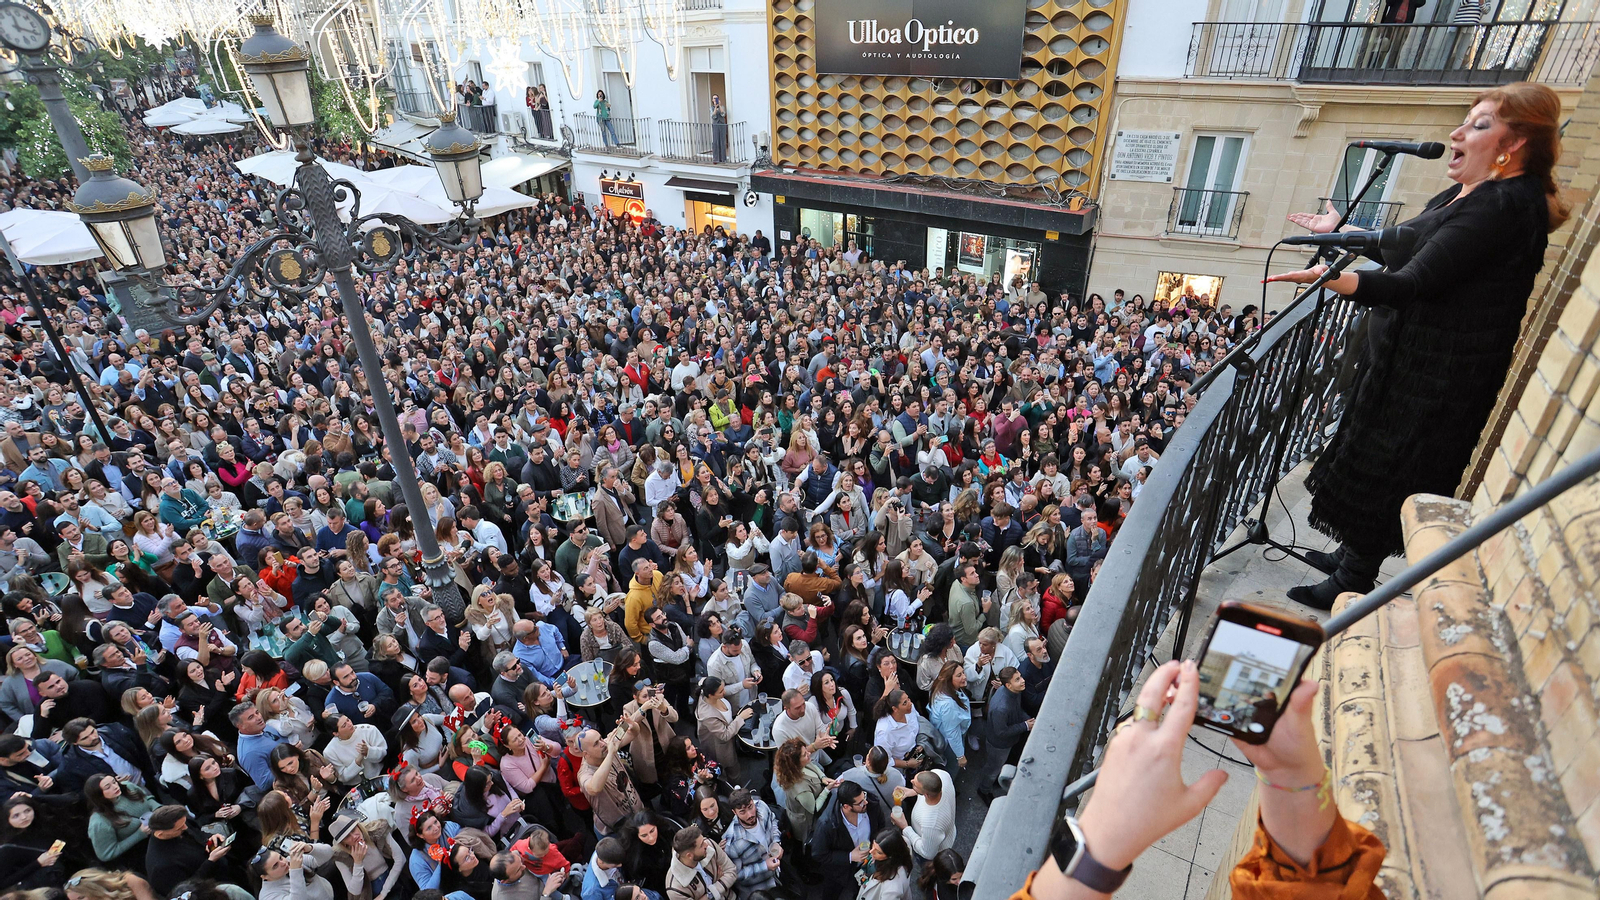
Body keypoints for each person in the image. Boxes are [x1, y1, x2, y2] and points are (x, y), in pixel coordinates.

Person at [1267, 82, 1566, 608]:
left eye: (1478, 125)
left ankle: (1353, 579)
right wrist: (1341, 229)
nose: (1457, 133)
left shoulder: (1502, 205)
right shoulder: (1473, 193)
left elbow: (1412, 281)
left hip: (1437, 375)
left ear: (1514, 142)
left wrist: (1334, 279)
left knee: (1392, 465)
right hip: (1410, 361)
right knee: (1372, 455)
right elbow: (1409, 241)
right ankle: (1350, 557)